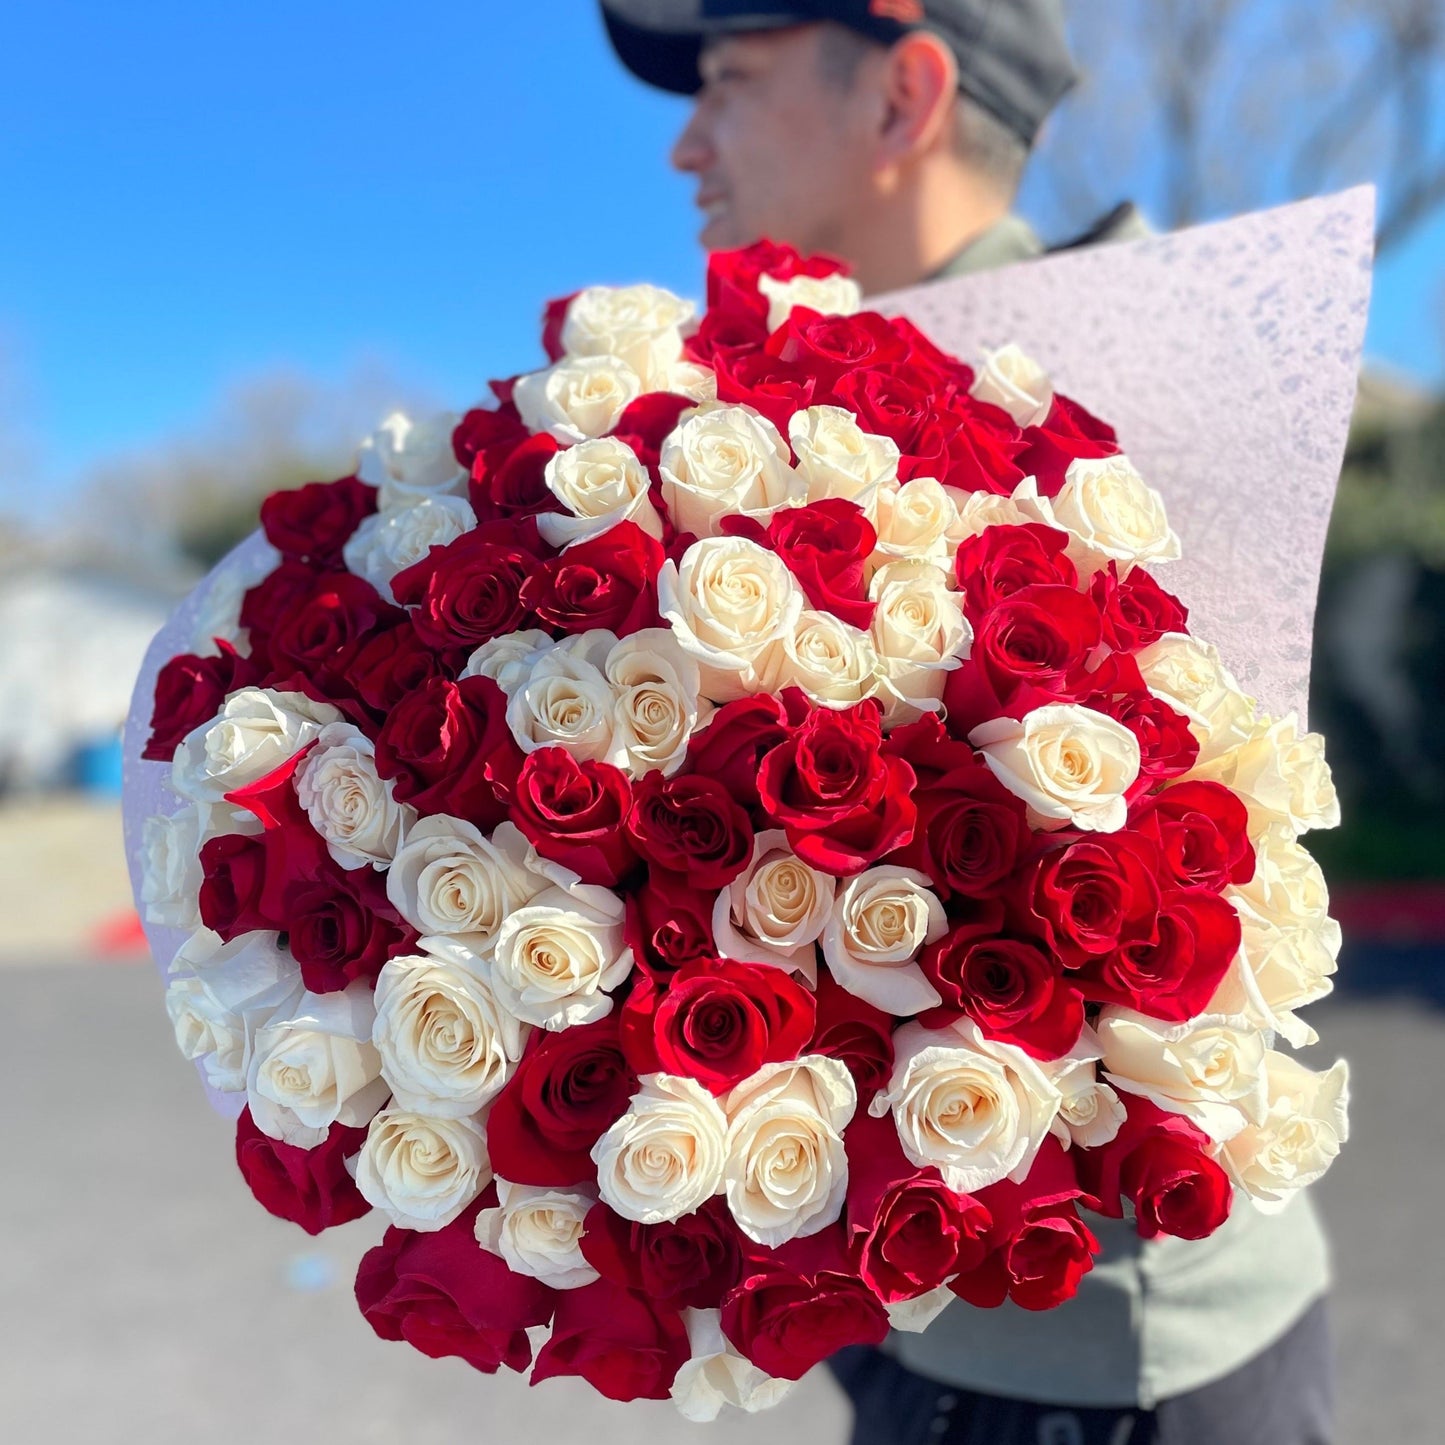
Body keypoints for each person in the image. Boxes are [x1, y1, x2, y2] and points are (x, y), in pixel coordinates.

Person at [598, 4, 1336, 1444]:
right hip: (891, 1306)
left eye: (732, 82)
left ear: (903, 95)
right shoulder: (745, 428)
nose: (688, 142)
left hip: (1113, 1355)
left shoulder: (1152, 407)